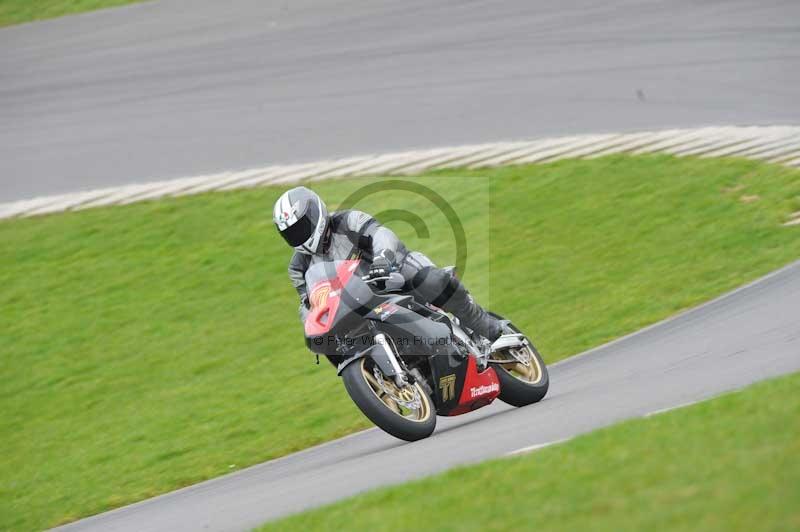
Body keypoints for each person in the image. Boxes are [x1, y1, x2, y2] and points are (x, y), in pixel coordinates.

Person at [273, 186, 504, 345]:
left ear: (316, 213)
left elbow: (381, 234)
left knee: (431, 281)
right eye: (291, 233)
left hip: (392, 273)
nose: (298, 235)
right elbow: (308, 302)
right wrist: (311, 322)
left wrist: (383, 258)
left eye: (301, 226)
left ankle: (480, 322)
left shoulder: (346, 221)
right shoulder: (298, 266)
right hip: (356, 303)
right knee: (333, 344)